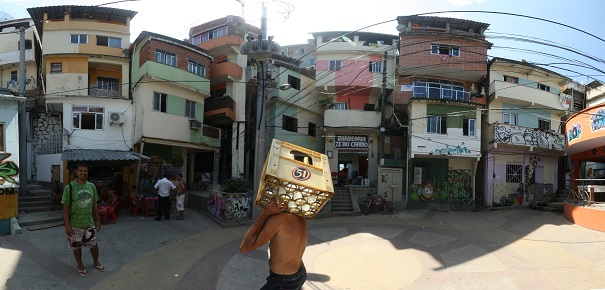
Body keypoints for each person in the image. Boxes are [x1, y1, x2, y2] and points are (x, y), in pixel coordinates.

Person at [240, 197, 307, 289]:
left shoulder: (280, 219)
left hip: (283, 281)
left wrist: (264, 213)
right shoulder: (299, 215)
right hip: (300, 273)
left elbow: (245, 247)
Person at [61, 162, 104, 277]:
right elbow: (65, 207)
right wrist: (67, 225)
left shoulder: (91, 186)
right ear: (76, 172)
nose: (83, 173)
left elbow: (95, 204)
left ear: (87, 172)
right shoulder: (69, 187)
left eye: (85, 171)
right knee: (76, 246)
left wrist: (98, 221)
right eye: (81, 171)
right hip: (75, 224)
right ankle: (80, 265)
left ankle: (96, 262)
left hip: (89, 223)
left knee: (94, 245)